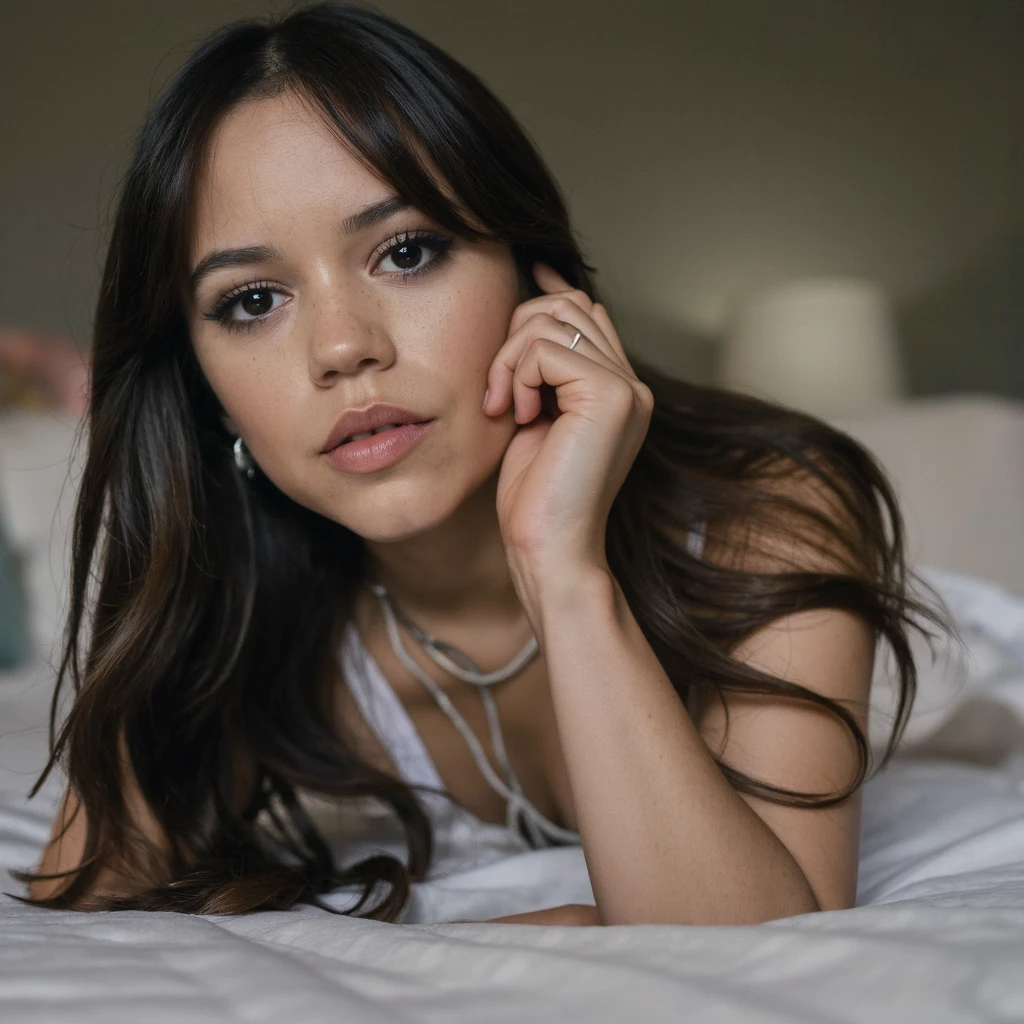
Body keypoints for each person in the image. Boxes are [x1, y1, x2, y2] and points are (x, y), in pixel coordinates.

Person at [12, 2, 942, 927]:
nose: (342, 347)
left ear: (535, 276)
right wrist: (536, 938)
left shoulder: (770, 502)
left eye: (406, 251)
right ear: (204, 385)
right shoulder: (239, 606)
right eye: (253, 301)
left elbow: (763, 949)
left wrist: (563, 570)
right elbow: (86, 930)